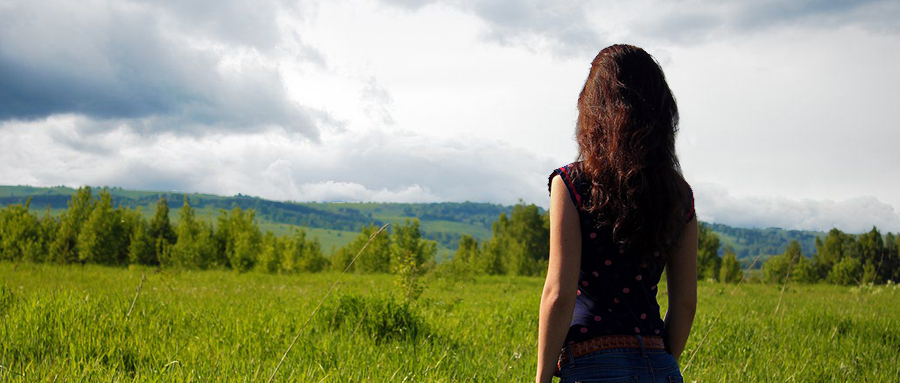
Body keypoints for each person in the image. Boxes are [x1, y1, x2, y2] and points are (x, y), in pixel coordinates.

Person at [535, 44, 698, 383]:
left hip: (591, 363)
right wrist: (658, 363)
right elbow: (684, 305)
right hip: (659, 362)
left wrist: (541, 378)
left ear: (594, 111)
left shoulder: (571, 183)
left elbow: (559, 294)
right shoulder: (678, 195)